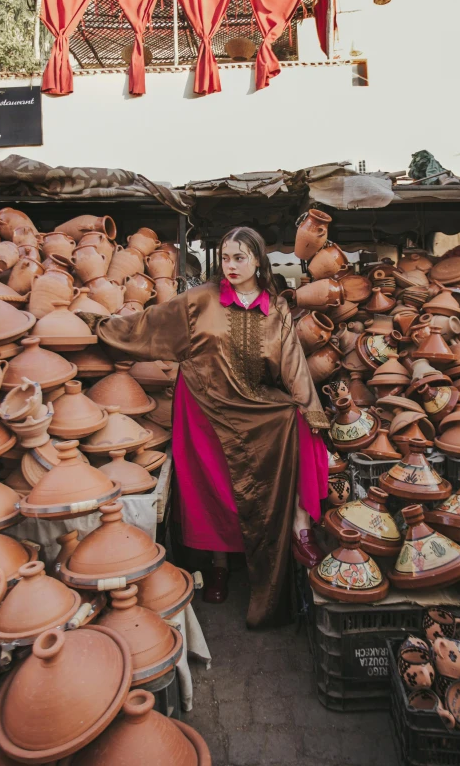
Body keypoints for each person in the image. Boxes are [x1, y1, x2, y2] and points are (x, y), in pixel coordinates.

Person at [93, 227, 329, 629]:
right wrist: (98, 324)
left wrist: (313, 411)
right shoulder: (200, 300)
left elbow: (293, 366)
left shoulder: (276, 310)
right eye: (225, 257)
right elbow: (149, 325)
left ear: (257, 260)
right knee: (213, 492)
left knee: (297, 419)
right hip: (203, 409)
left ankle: (299, 527)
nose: (230, 266)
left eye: (239, 257)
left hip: (253, 406)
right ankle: (218, 566)